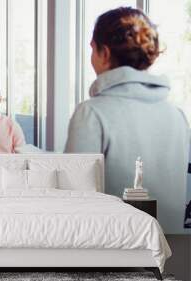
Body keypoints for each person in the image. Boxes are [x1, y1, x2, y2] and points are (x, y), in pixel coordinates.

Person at [64, 7, 189, 233]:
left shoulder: (91, 113)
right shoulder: (177, 116)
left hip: (111, 256)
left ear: (105, 53)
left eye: (92, 49)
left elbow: (73, 202)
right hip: (170, 257)